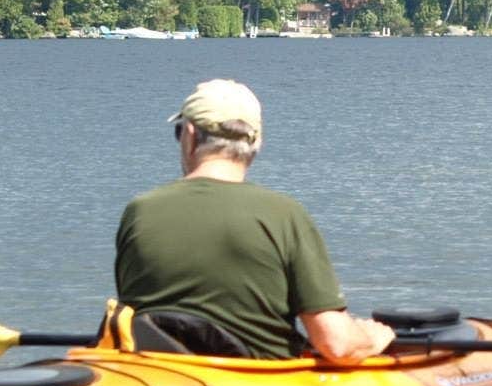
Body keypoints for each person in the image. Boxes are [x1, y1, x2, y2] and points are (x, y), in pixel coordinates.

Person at [113, 78, 396, 363]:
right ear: (256, 143)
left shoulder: (139, 211)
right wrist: (372, 337)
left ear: (189, 136)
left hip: (159, 380)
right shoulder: (283, 214)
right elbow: (338, 346)